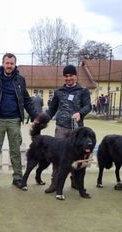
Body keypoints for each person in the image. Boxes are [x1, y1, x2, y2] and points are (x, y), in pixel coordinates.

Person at [0, 53, 38, 189]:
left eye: (11, 63)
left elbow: (26, 99)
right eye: (7, 63)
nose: (9, 66)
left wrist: (35, 115)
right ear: (3, 63)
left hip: (14, 120)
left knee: (15, 150)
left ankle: (17, 178)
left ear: (15, 64)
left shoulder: (20, 80)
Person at [44, 64, 92, 193]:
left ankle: (76, 182)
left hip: (78, 132)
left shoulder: (83, 90)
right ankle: (55, 183)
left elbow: (88, 106)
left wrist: (80, 113)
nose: (68, 78)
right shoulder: (59, 91)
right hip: (61, 128)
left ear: (76, 76)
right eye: (66, 76)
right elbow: (52, 109)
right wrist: (43, 118)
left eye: (71, 75)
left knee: (79, 157)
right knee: (57, 157)